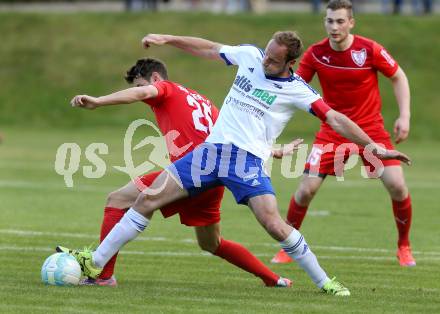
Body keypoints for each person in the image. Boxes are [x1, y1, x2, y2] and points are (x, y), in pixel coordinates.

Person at [59, 30, 411, 296]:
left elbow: (334, 119)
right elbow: (208, 48)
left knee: (273, 223)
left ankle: (325, 281)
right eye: (267, 55)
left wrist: (374, 147)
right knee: (147, 197)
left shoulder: (299, 90)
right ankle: (97, 262)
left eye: (274, 60)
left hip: (247, 163)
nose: (265, 62)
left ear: (290, 63)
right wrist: (168, 38)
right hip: (210, 153)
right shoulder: (250, 56)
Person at [67, 57, 297, 287]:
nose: (141, 92)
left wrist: (98, 101)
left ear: (155, 79)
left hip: (189, 174)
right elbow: (234, 137)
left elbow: (141, 94)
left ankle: (103, 275)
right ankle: (273, 279)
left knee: (118, 199)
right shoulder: (203, 101)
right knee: (211, 243)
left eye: (141, 85)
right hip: (213, 180)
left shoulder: (166, 88)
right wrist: (272, 151)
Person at [271, 0, 415, 267]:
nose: (334, 26)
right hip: (333, 132)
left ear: (351, 23)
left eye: (339, 21)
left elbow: (399, 77)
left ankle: (404, 246)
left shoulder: (369, 50)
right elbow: (295, 87)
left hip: (371, 130)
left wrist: (404, 116)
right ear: (324, 22)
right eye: (329, 21)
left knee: (397, 186)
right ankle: (289, 247)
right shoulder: (316, 53)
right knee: (305, 191)